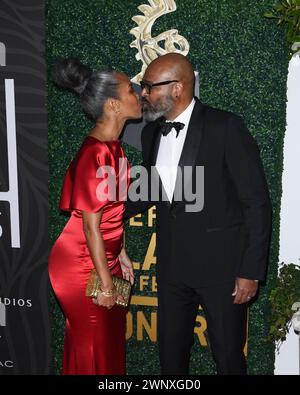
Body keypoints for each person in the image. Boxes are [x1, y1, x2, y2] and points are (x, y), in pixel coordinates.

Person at [124, 53, 272, 374]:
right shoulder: (151, 134)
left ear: (177, 88)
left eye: (150, 86)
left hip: (222, 271)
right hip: (172, 268)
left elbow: (256, 203)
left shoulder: (226, 127)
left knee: (229, 357)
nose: (144, 93)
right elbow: (152, 191)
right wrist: (100, 207)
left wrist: (250, 270)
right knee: (171, 358)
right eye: (143, 87)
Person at [48, 58, 140, 375]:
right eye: (131, 90)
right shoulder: (96, 153)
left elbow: (111, 213)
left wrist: (122, 252)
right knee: (94, 349)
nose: (138, 94)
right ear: (113, 105)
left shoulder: (114, 149)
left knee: (103, 345)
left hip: (103, 258)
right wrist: (105, 284)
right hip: (80, 263)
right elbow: (89, 227)